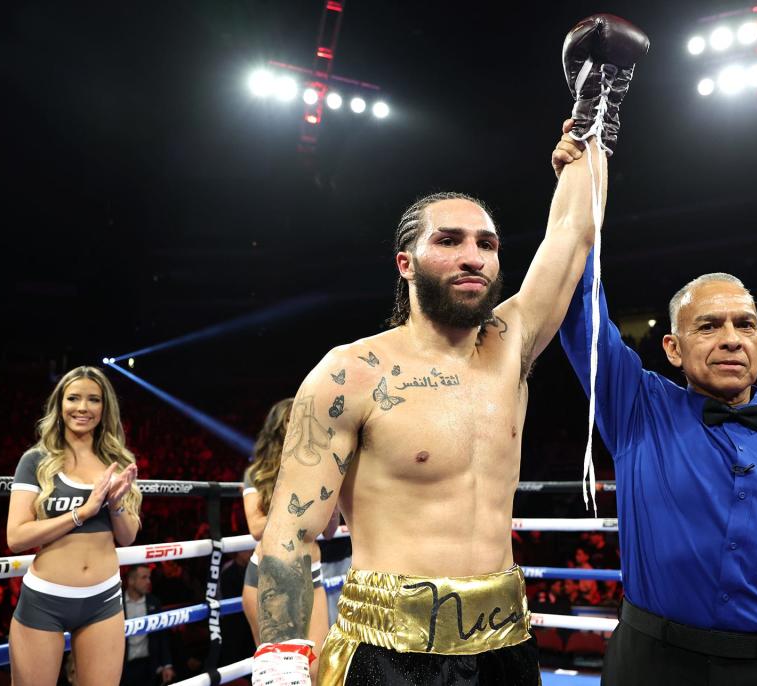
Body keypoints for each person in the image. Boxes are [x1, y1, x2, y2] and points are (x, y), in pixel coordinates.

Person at [252, 16, 649, 684]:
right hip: (387, 654)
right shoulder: (350, 371)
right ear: (405, 262)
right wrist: (283, 658)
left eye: (487, 244)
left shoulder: (510, 345)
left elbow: (574, 234)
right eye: (450, 241)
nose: (473, 257)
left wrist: (592, 119)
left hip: (503, 647)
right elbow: (289, 536)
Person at [558, 235, 757, 679]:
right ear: (673, 348)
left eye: (744, 325)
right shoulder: (638, 408)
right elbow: (581, 312)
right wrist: (581, 195)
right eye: (709, 326)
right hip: (651, 663)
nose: (732, 340)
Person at [6, 366, 141, 686]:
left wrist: (115, 504)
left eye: (93, 399)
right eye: (74, 398)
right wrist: (82, 512)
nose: (83, 407)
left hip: (104, 600)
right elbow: (16, 537)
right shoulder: (35, 460)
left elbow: (128, 537)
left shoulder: (118, 461)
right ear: (59, 404)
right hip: (46, 600)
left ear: (104, 407)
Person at [241, 398, 331, 679]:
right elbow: (256, 527)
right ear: (281, 426)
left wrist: (331, 496)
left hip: (311, 573)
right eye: (294, 419)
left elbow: (328, 530)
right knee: (278, 673)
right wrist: (299, 503)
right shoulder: (258, 473)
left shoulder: (320, 468)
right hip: (268, 575)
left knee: (317, 670)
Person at [121, 564, 174, 686]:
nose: (148, 582)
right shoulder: (117, 604)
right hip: (123, 667)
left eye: (149, 577)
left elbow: (162, 635)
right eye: (144, 578)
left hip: (148, 666)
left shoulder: (154, 602)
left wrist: (166, 665)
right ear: (131, 581)